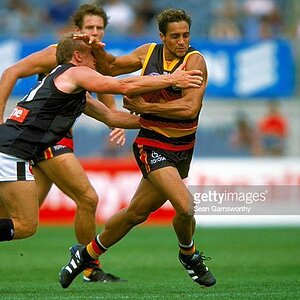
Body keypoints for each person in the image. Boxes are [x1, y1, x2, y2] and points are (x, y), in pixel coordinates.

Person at [0, 33, 202, 281]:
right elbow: (123, 85)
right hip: (11, 152)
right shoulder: (74, 72)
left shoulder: (73, 90)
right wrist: (172, 79)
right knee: (26, 225)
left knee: (7, 219)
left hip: (9, 150)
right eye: (92, 57)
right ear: (77, 57)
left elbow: (112, 117)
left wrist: (161, 122)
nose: (97, 63)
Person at [59, 8, 216, 289]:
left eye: (186, 35)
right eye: (175, 36)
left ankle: (85, 255)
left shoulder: (196, 61)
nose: (182, 41)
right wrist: (99, 51)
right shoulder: (148, 53)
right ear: (162, 37)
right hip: (152, 143)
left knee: (135, 214)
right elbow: (110, 68)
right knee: (185, 206)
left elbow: (190, 108)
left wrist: (146, 108)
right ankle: (189, 254)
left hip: (182, 146)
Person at [0, 4, 126, 283]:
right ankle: (90, 267)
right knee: (87, 198)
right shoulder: (60, 53)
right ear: (77, 31)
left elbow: (104, 90)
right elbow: (10, 73)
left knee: (19, 218)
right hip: (42, 141)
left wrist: (114, 121)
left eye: (99, 28)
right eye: (89, 28)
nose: (94, 32)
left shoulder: (94, 58)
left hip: (47, 139)